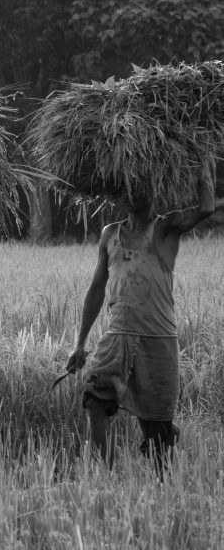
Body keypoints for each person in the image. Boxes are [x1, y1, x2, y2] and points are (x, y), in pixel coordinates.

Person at [64, 165, 222, 475]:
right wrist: (80, 344)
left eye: (142, 186)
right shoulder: (110, 234)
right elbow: (97, 288)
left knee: (157, 434)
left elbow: (205, 207)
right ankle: (105, 478)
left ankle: (163, 478)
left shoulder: (165, 228)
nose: (135, 193)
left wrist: (202, 158)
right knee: (95, 399)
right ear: (121, 193)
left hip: (157, 338)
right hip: (117, 335)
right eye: (130, 187)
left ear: (154, 192)